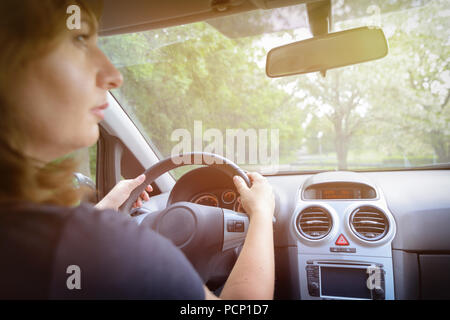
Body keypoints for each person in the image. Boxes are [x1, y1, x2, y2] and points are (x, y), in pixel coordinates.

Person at [0, 0, 275, 300]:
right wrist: (261, 215)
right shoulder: (105, 246)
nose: (113, 74)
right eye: (79, 40)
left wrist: (101, 212)